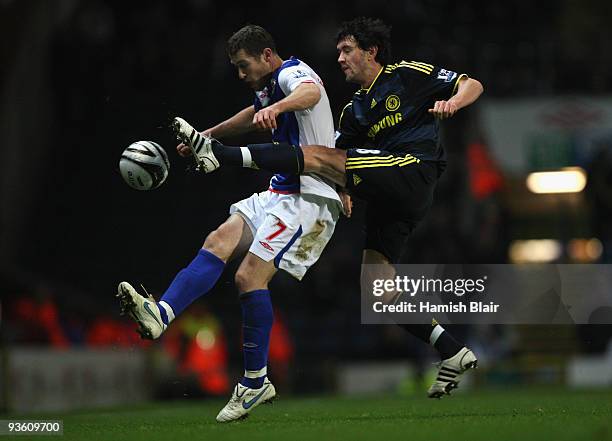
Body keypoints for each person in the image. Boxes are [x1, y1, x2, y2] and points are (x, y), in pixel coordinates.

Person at [173, 17, 484, 399]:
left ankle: (221, 157)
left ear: (371, 52)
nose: (339, 58)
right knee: (377, 291)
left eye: (346, 50)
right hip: (391, 195)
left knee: (317, 155)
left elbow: (472, 83)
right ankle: (452, 351)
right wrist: (343, 187)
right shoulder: (353, 110)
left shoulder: (405, 74)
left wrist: (453, 102)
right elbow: (337, 161)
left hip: (413, 167)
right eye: (338, 51)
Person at [118, 24, 343, 422]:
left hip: (308, 198)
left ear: (267, 56)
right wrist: (208, 135)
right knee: (218, 239)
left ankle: (255, 382)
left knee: (248, 278)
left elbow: (312, 93)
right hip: (280, 191)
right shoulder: (269, 85)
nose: (240, 74)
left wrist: (280, 107)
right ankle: (162, 313)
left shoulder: (291, 73)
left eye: (244, 66)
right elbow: (252, 115)